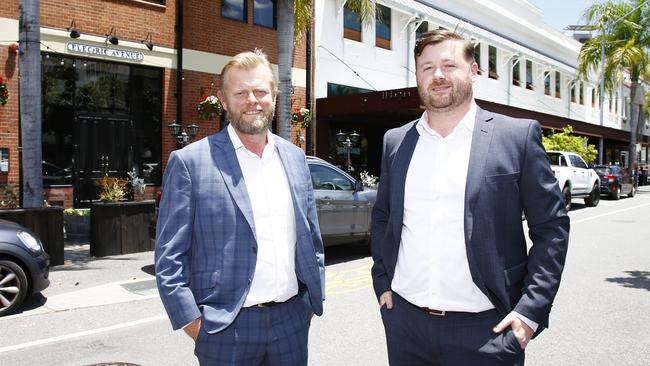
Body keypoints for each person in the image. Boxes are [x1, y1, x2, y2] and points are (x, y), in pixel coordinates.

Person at [370, 29, 570, 365]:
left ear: (473, 71)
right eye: (426, 67)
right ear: (416, 75)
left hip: (487, 331)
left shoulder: (516, 137)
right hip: (406, 326)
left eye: (449, 64)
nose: (438, 76)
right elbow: (383, 217)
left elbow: (552, 227)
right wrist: (382, 284)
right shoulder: (396, 141)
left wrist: (529, 313)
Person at [155, 49, 325, 366]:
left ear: (274, 95)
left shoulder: (295, 158)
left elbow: (311, 237)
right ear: (223, 100)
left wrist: (310, 302)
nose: (252, 100)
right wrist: (195, 325)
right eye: (240, 92)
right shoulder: (191, 162)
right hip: (224, 330)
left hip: (291, 322)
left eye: (260, 91)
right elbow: (169, 258)